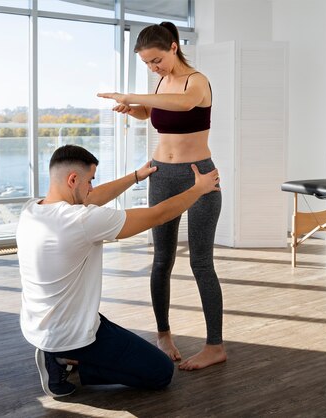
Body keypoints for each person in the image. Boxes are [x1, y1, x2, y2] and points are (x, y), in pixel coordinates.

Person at [17, 144, 220, 397]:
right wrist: (198, 189)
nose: (92, 188)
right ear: (73, 179)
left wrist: (136, 176)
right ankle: (64, 359)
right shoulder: (80, 221)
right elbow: (157, 215)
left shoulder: (32, 209)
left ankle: (58, 353)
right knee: (161, 371)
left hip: (39, 325)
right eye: (90, 180)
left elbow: (91, 198)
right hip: (71, 334)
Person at [97, 21, 227, 371]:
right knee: (161, 259)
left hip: (198, 174)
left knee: (201, 261)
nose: (153, 68)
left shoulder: (195, 81)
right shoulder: (160, 83)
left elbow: (184, 105)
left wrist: (132, 96)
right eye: (147, 65)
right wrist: (134, 110)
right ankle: (163, 334)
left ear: (173, 47)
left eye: (156, 60)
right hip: (161, 173)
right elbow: (153, 111)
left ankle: (215, 345)